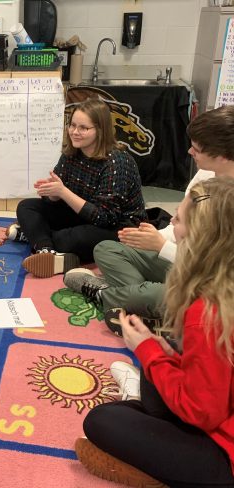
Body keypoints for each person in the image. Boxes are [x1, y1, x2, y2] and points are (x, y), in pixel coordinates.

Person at [76, 177, 234, 488]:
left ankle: (156, 475)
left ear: (199, 238)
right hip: (220, 415)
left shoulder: (207, 311)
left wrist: (147, 349)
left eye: (178, 219)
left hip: (224, 455)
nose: (171, 222)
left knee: (101, 420)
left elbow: (203, 413)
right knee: (153, 370)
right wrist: (170, 355)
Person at [63, 105, 234, 335]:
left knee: (155, 293)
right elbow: (178, 225)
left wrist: (161, 246)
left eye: (197, 148)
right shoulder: (204, 174)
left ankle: (107, 294)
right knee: (107, 249)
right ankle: (146, 309)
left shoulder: (117, 161)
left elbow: (216, 269)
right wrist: (149, 237)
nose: (190, 153)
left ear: (222, 156)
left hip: (214, 282)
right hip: (181, 260)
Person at [12, 98, 146, 278]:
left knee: (69, 239)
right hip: (81, 216)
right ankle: (47, 251)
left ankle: (37, 237)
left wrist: (62, 192)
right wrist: (52, 194)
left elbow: (105, 218)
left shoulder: (117, 161)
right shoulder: (71, 153)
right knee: (26, 206)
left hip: (118, 227)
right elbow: (58, 200)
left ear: (100, 130)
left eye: (83, 128)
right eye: (72, 125)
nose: (75, 132)